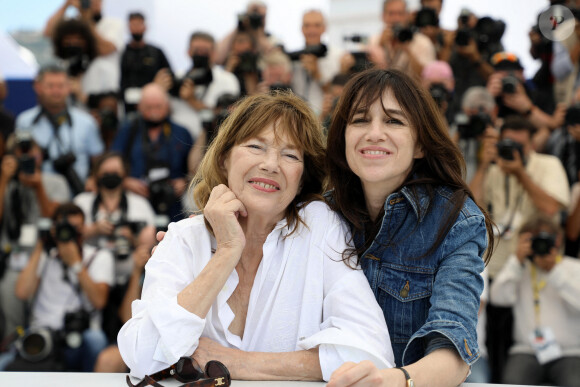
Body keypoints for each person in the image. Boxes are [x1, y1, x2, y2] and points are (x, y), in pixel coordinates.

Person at [117, 91, 395, 381]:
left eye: (289, 154)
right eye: (255, 146)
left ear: (301, 179)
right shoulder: (184, 237)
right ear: (224, 159)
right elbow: (143, 356)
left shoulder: (320, 226)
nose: (271, 165)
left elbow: (372, 355)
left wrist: (238, 363)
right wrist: (226, 250)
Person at [324, 68, 494, 387]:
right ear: (343, 137)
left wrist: (393, 381)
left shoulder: (456, 220)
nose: (374, 133)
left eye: (393, 121)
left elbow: (453, 350)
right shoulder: (320, 213)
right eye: (360, 119)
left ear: (420, 146)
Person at [12, 203, 114, 372]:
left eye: (76, 228)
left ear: (85, 229)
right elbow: (22, 292)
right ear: (54, 229)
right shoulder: (46, 256)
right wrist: (41, 245)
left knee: (96, 339)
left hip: (80, 335)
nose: (70, 234)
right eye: (64, 228)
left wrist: (76, 264)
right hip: (43, 335)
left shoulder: (99, 256)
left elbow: (99, 302)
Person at [73, 152, 156, 341]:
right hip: (90, 270)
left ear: (124, 174)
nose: (111, 175)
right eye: (106, 171)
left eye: (115, 171)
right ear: (96, 175)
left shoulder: (139, 204)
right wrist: (93, 230)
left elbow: (149, 245)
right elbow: (69, 235)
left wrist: (131, 239)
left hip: (128, 270)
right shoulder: (83, 202)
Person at [490, 215, 580, 387]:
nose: (540, 245)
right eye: (533, 240)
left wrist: (553, 271)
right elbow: (498, 298)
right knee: (511, 382)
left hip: (570, 353)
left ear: (558, 239)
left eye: (544, 239)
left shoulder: (574, 267)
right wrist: (516, 260)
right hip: (527, 351)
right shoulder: (519, 270)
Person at [0, 133, 70, 342]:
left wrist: (38, 185)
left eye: (33, 152)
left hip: (47, 256)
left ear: (41, 155)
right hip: (13, 257)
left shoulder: (55, 181)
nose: (29, 158)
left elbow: (54, 217)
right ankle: (12, 343)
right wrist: (4, 179)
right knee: (8, 289)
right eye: (22, 155)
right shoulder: (7, 184)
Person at [15, 64, 105, 196]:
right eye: (50, 86)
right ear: (38, 87)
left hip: (77, 193)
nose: (56, 91)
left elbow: (98, 159)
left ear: (69, 87)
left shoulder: (87, 122)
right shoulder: (24, 121)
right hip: (37, 193)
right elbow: (19, 156)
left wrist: (93, 179)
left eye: (61, 86)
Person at [111, 83, 193, 222]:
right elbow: (112, 162)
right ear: (139, 107)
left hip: (173, 199)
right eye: (149, 107)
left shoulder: (181, 132)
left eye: (158, 106)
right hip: (137, 196)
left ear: (167, 106)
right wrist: (126, 181)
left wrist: (185, 182)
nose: (154, 111)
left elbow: (195, 167)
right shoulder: (128, 130)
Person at [290, 10, 343, 116]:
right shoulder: (293, 58)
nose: (311, 30)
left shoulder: (337, 56)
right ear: (302, 29)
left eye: (317, 25)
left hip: (327, 117)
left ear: (324, 28)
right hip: (298, 117)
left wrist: (317, 74)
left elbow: (338, 94)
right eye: (307, 25)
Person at [366, 0, 436, 78]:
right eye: (391, 14)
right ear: (383, 16)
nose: (396, 19)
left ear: (407, 16)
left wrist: (408, 51)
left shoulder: (422, 42)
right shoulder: (374, 41)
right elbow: (367, 74)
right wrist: (380, 46)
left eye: (400, 14)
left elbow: (427, 76)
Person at [120, 12, 173, 114]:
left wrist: (156, 87)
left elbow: (168, 76)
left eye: (139, 24)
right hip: (127, 107)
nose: (136, 28)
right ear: (128, 27)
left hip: (153, 105)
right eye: (133, 25)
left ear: (145, 26)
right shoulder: (122, 53)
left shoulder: (156, 52)